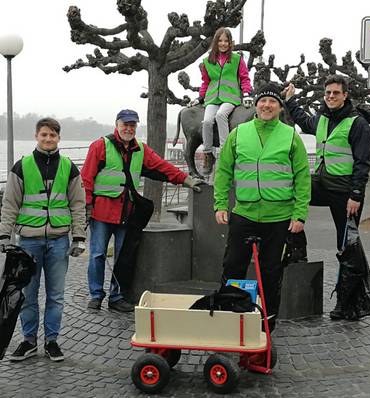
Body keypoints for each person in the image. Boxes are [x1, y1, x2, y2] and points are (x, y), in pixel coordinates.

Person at [82, 109, 202, 313]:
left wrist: (186, 179)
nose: (128, 128)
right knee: (97, 254)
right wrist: (86, 206)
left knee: (123, 256)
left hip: (124, 211)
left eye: (132, 125)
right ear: (117, 124)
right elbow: (86, 178)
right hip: (101, 212)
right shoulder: (100, 146)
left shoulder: (141, 150)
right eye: (125, 124)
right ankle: (96, 295)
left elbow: (163, 167)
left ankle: (117, 296)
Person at [214, 83, 311, 333]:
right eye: (263, 101)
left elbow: (302, 176)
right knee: (233, 267)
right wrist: (220, 204)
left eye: (273, 102)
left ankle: (267, 325)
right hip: (244, 214)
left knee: (270, 273)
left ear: (280, 107)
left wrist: (300, 213)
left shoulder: (290, 135)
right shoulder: (239, 133)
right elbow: (224, 171)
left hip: (278, 218)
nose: (267, 105)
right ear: (256, 104)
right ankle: (230, 318)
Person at [282, 74, 370, 320]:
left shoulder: (358, 124)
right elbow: (302, 120)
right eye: (328, 93)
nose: (331, 97)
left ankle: (348, 304)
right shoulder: (321, 118)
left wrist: (356, 195)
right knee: (291, 192)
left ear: (345, 95)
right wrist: (290, 101)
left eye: (336, 93)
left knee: (347, 247)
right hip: (322, 183)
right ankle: (298, 250)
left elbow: (363, 163)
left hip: (345, 192)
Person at [0, 117, 87, 362]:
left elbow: (78, 204)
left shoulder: (68, 167)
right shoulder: (22, 166)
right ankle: (29, 341)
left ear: (58, 138)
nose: (48, 139)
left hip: (59, 241)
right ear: (37, 137)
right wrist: (4, 235)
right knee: (28, 294)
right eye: (44, 135)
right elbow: (10, 205)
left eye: (53, 135)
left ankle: (52, 341)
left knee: (56, 296)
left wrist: (79, 236)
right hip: (28, 241)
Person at [190, 27, 253, 174]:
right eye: (220, 40)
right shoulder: (207, 61)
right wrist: (200, 98)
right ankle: (208, 154)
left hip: (230, 97)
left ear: (230, 43)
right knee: (206, 122)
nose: (223, 43)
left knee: (221, 115)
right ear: (216, 42)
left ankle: (226, 152)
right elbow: (205, 82)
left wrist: (246, 93)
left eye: (226, 41)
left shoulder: (237, 59)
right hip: (212, 98)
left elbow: (244, 78)